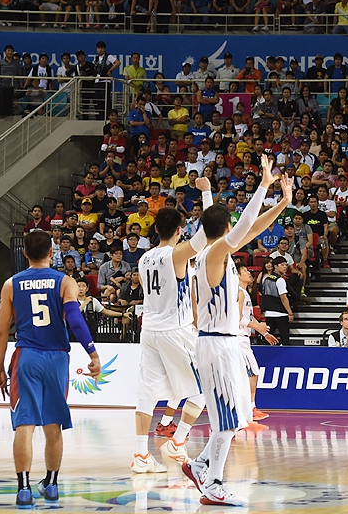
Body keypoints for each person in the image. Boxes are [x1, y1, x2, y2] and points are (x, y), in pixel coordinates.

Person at [182, 157, 292, 507]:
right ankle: (213, 482)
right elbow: (245, 225)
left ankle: (201, 464)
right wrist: (262, 185)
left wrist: (283, 203)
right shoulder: (214, 253)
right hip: (216, 344)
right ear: (227, 229)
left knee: (236, 417)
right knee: (228, 419)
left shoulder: (217, 250)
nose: (241, 234)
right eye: (233, 228)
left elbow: (251, 227)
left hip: (226, 344)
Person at [0, 231, 101, 508]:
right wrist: (92, 352)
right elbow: (74, 319)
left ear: (25, 254)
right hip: (57, 358)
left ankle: (24, 489)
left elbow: (2, 330)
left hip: (27, 356)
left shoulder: (10, 285)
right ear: (52, 253)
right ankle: (51, 485)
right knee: (53, 424)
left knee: (25, 424)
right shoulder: (65, 281)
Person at [131, 177, 214, 473]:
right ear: (179, 231)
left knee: (147, 395)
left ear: (155, 229)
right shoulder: (177, 254)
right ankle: (177, 442)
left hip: (149, 330)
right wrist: (206, 193)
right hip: (174, 330)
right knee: (203, 388)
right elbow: (207, 235)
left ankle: (141, 456)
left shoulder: (143, 259)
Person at [237, 262, 278, 421]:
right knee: (253, 373)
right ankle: (250, 408)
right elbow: (237, 317)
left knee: (246, 375)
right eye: (245, 270)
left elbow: (249, 317)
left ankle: (246, 409)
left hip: (243, 338)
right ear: (237, 275)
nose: (249, 272)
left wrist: (263, 332)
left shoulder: (245, 293)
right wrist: (256, 325)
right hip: (238, 338)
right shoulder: (239, 293)